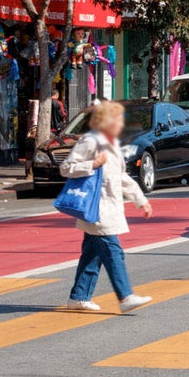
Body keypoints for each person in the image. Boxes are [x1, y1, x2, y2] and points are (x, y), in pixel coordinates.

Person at [59, 100, 155, 312]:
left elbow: (122, 177)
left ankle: (79, 296)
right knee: (113, 251)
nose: (121, 123)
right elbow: (66, 168)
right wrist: (91, 164)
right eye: (118, 119)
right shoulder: (90, 141)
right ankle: (125, 296)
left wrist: (141, 201)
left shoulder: (111, 144)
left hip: (109, 207)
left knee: (92, 254)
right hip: (97, 209)